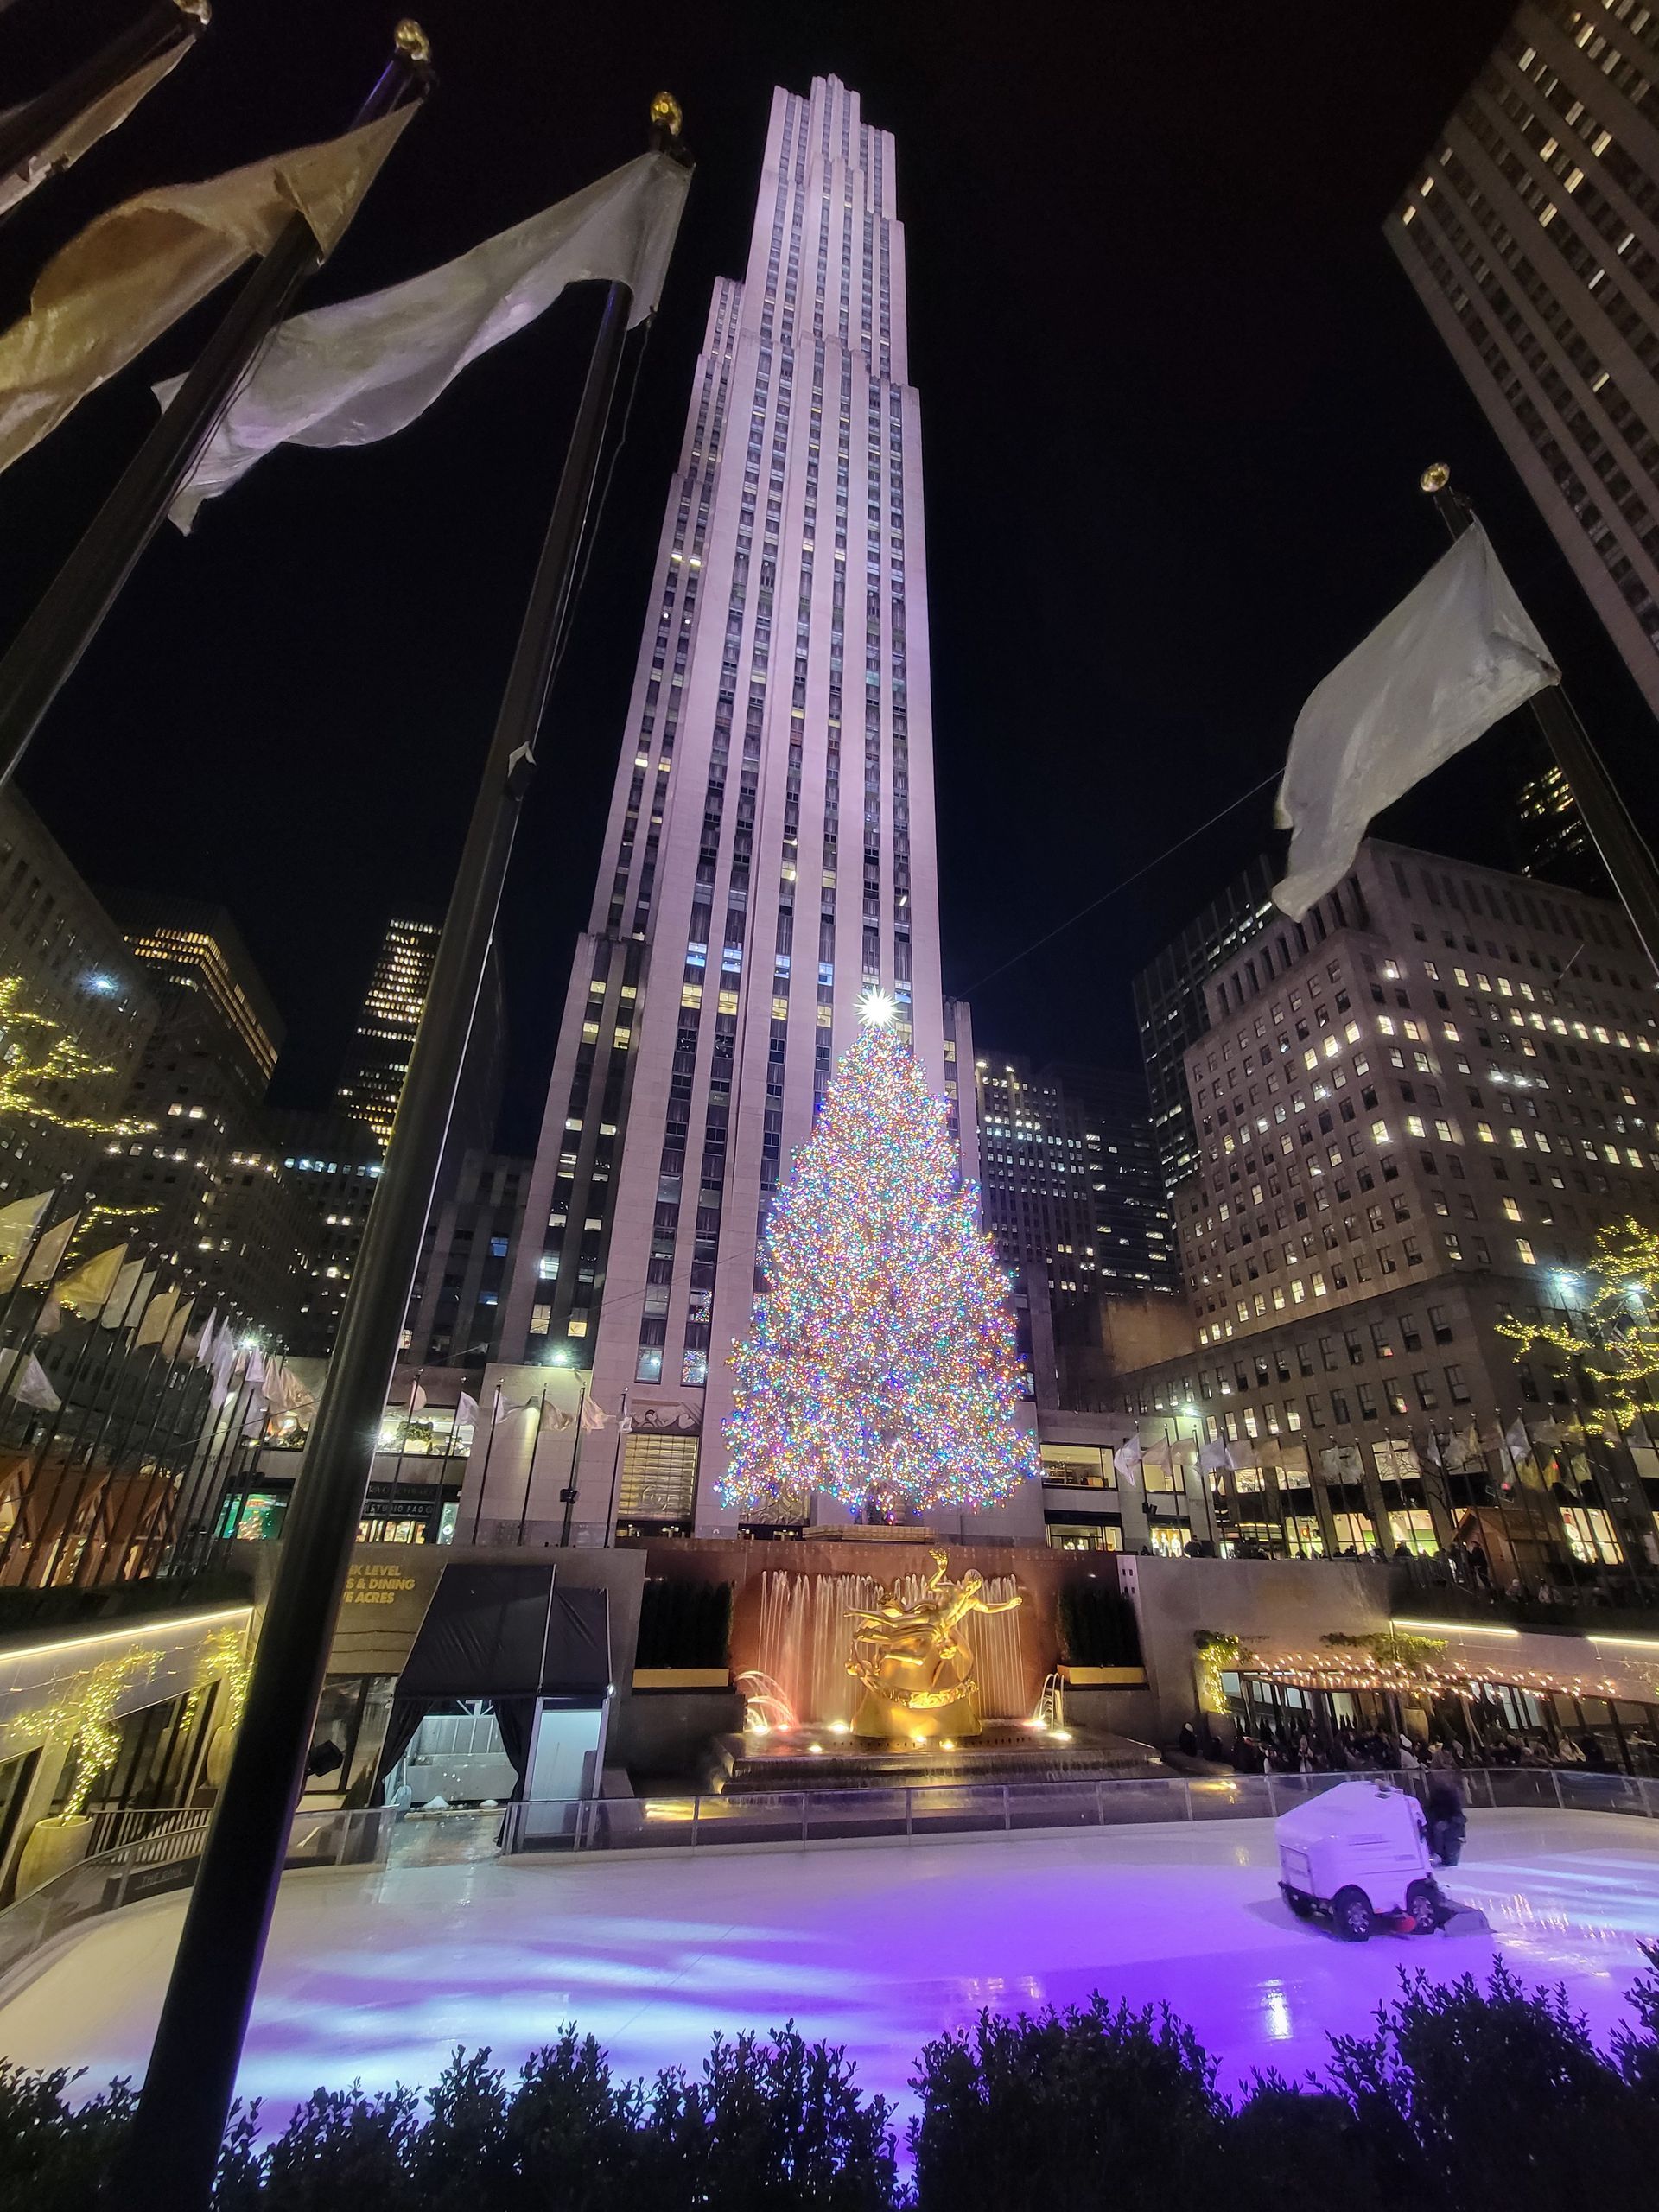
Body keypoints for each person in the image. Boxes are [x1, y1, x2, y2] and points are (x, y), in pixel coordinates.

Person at [1426, 1777, 1466, 1866]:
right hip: (1443, 1820)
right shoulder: (1436, 1799)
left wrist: (1448, 1821)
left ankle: (1438, 1853)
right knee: (1430, 1829)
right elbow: (1429, 1810)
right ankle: (1433, 1852)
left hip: (1452, 1822)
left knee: (1438, 1828)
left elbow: (1456, 1814)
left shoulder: (1451, 1798)